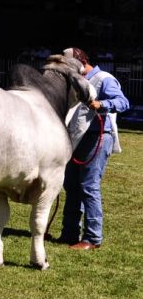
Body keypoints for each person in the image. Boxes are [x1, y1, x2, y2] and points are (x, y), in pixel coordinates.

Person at [58, 47, 130, 250]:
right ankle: (70, 233)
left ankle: (92, 238)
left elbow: (123, 102)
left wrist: (102, 104)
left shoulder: (104, 78)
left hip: (97, 137)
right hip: (76, 138)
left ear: (81, 63)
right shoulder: (74, 81)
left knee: (89, 186)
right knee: (71, 185)